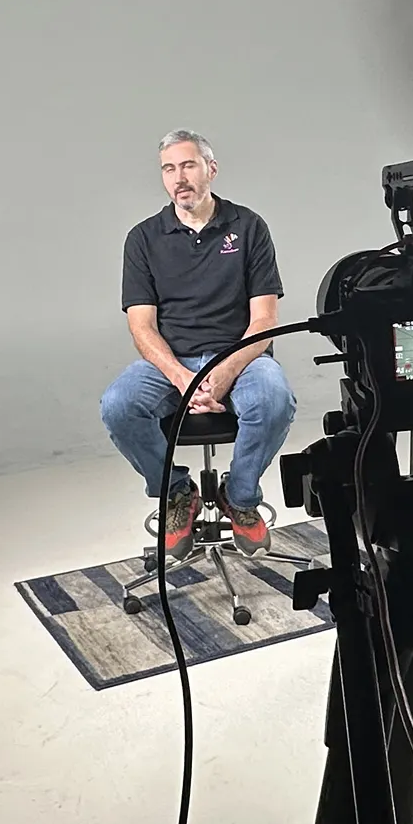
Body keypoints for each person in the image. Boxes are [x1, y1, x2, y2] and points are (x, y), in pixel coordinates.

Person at [101, 131, 297, 560]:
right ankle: (176, 493)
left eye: (188, 165)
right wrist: (184, 378)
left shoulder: (248, 226)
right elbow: (142, 328)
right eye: (168, 169)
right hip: (172, 361)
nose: (179, 178)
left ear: (211, 168)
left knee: (274, 399)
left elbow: (264, 320)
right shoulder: (143, 239)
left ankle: (240, 498)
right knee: (118, 406)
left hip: (242, 355)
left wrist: (224, 371)